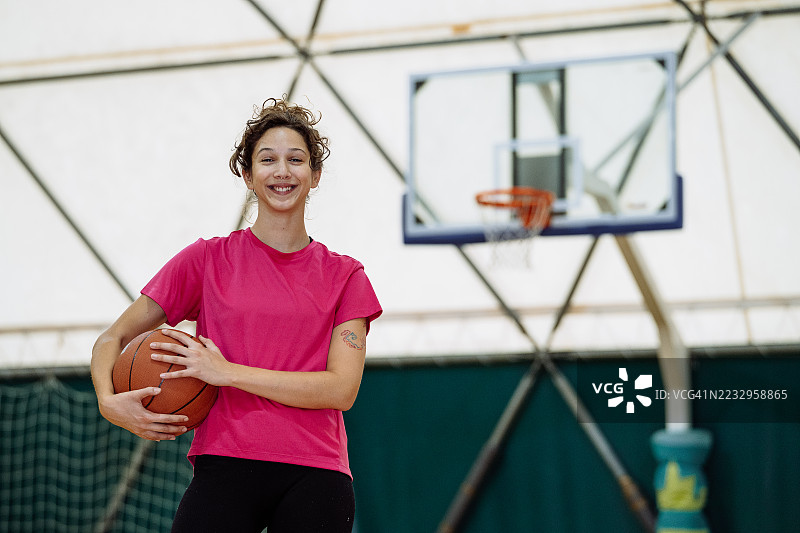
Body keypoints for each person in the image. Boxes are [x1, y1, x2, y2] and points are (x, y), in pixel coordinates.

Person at [90, 97, 382, 533]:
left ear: (315, 175)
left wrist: (227, 372)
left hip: (316, 471)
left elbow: (341, 389)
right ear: (247, 175)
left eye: (295, 160)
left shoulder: (346, 276)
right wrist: (108, 402)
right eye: (267, 160)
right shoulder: (206, 260)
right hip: (225, 461)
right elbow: (111, 339)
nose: (282, 171)